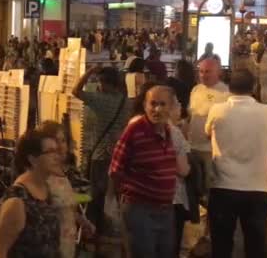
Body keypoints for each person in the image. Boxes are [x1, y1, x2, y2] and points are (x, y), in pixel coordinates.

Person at [205, 70, 267, 258]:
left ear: (230, 87)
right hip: (258, 189)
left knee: (221, 245)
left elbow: (208, 133)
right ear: (254, 87)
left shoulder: (217, 110)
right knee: (256, 247)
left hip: (223, 187)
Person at [109, 84, 190, 258]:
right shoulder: (135, 130)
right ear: (145, 106)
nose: (157, 109)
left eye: (162, 104)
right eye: (152, 104)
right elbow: (115, 170)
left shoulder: (168, 131)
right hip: (140, 210)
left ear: (171, 107)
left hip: (165, 210)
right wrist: (130, 196)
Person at [72, 66, 131, 240]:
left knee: (96, 194)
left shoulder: (100, 100)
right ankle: (111, 227)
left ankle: (93, 228)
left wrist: (89, 71)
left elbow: (76, 91)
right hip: (120, 155)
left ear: (106, 83)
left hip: (100, 155)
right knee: (113, 194)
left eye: (100, 82)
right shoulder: (126, 102)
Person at [0, 129, 62, 258]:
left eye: (57, 151)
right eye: (50, 152)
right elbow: (0, 252)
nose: (57, 156)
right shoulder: (17, 202)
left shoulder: (45, 188)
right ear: (33, 159)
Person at [188, 58, 229, 255]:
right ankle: (195, 226)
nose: (203, 75)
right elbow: (191, 116)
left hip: (210, 151)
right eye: (201, 71)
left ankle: (209, 231)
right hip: (192, 148)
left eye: (208, 72)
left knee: (210, 192)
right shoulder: (195, 90)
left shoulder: (225, 94)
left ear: (218, 72)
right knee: (193, 191)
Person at [39, 121, 95, 258]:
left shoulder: (63, 175)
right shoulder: (40, 176)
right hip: (48, 248)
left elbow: (65, 208)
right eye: (54, 141)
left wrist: (84, 222)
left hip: (67, 245)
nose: (60, 146)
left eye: (63, 140)